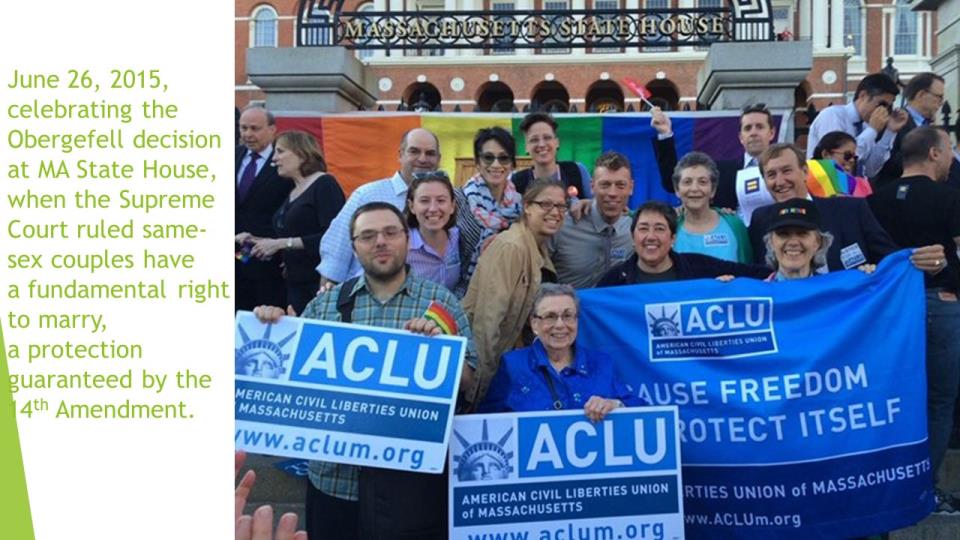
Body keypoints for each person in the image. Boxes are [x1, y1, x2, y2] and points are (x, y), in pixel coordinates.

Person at [255, 202, 477, 540]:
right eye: (368, 236)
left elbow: (468, 382)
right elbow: (288, 382)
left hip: (410, 487)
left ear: (407, 237)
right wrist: (270, 330)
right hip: (335, 483)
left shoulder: (441, 303)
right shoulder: (323, 306)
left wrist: (443, 351)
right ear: (354, 246)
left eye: (390, 233)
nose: (380, 242)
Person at [868, 126, 958, 512]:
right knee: (938, 400)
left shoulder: (874, 199)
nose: (953, 158)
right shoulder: (952, 196)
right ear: (935, 154)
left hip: (886, 313)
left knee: (892, 400)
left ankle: (887, 485)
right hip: (940, 302)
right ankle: (924, 489)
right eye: (950, 149)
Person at [317, 128, 483, 291]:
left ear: (439, 159)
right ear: (400, 155)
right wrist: (328, 303)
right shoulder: (367, 195)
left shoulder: (449, 201)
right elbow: (335, 258)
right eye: (414, 151)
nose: (423, 159)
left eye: (430, 153)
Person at [462, 179, 568, 408]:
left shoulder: (538, 247)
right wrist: (478, 392)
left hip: (511, 368)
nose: (555, 212)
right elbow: (487, 324)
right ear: (527, 206)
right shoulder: (512, 247)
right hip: (487, 373)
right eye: (546, 205)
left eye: (561, 206)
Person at [479, 284, 645, 417]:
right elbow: (484, 421)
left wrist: (613, 404)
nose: (560, 325)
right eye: (550, 316)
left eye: (567, 316)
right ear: (534, 324)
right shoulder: (512, 365)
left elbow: (643, 410)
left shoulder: (601, 363)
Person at [236, 131, 346, 313]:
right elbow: (287, 238)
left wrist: (281, 243)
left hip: (318, 284)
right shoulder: (292, 191)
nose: (274, 159)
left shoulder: (324, 184)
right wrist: (256, 241)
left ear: (301, 154)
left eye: (280, 152)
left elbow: (335, 238)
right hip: (293, 285)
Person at [749, 143, 904, 272]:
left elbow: (891, 259)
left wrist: (873, 272)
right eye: (771, 175)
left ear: (804, 172)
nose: (780, 181)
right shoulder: (760, 219)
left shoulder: (850, 210)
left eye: (786, 171)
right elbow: (756, 272)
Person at [597, 201, 770, 287]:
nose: (651, 236)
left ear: (673, 239)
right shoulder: (614, 280)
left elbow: (759, 274)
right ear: (633, 238)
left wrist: (731, 286)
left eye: (659, 229)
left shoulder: (701, 267)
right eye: (643, 229)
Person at [654, 103, 778, 210]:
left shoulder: (784, 170)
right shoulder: (722, 171)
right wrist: (665, 134)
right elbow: (673, 182)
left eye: (760, 127)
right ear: (741, 137)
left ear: (772, 133)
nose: (754, 133)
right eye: (748, 128)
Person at [550, 151, 635, 288]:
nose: (612, 193)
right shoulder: (563, 225)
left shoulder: (636, 228)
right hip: (569, 307)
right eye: (605, 185)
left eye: (620, 185)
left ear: (631, 187)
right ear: (592, 187)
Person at [235, 105, 292, 311]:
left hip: (269, 262)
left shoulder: (286, 161)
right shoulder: (233, 156)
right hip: (235, 257)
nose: (248, 134)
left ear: (272, 129)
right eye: (243, 128)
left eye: (254, 128)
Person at [806, 73, 909, 178]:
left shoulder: (865, 128)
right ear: (863, 96)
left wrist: (890, 131)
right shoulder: (833, 116)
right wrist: (872, 131)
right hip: (825, 186)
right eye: (881, 104)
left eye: (888, 106)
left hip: (854, 190)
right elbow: (840, 159)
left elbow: (870, 170)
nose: (884, 111)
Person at [874, 72, 960, 189]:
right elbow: (885, 161)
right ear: (921, 94)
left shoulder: (931, 127)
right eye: (939, 97)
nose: (941, 103)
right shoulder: (895, 122)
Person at [671, 151, 752, 263]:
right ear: (677, 190)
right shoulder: (669, 227)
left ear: (713, 190)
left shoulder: (735, 224)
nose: (694, 188)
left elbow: (749, 271)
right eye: (687, 182)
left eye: (702, 182)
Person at [462, 127, 522, 277]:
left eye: (503, 158)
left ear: (512, 164)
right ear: (477, 162)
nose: (496, 165)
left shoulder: (519, 205)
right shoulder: (459, 200)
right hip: (465, 287)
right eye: (488, 157)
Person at [404, 170, 462, 292]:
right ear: (412, 206)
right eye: (424, 201)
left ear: (452, 206)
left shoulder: (459, 239)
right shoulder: (401, 247)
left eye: (441, 200)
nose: (433, 209)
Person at [512, 112, 593, 198]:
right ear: (526, 147)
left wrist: (586, 204)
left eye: (547, 138)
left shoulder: (577, 171)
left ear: (557, 142)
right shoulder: (517, 182)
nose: (542, 144)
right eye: (534, 140)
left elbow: (594, 205)